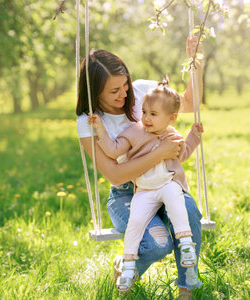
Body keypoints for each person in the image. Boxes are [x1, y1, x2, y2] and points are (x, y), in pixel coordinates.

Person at [76, 38, 203, 299]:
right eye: (114, 91)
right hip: (126, 194)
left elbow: (189, 103)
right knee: (158, 245)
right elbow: (114, 173)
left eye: (124, 84)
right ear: (95, 91)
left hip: (165, 183)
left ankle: (186, 289)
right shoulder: (88, 122)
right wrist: (159, 153)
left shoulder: (144, 91)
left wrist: (195, 63)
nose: (124, 94)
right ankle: (125, 267)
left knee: (190, 212)